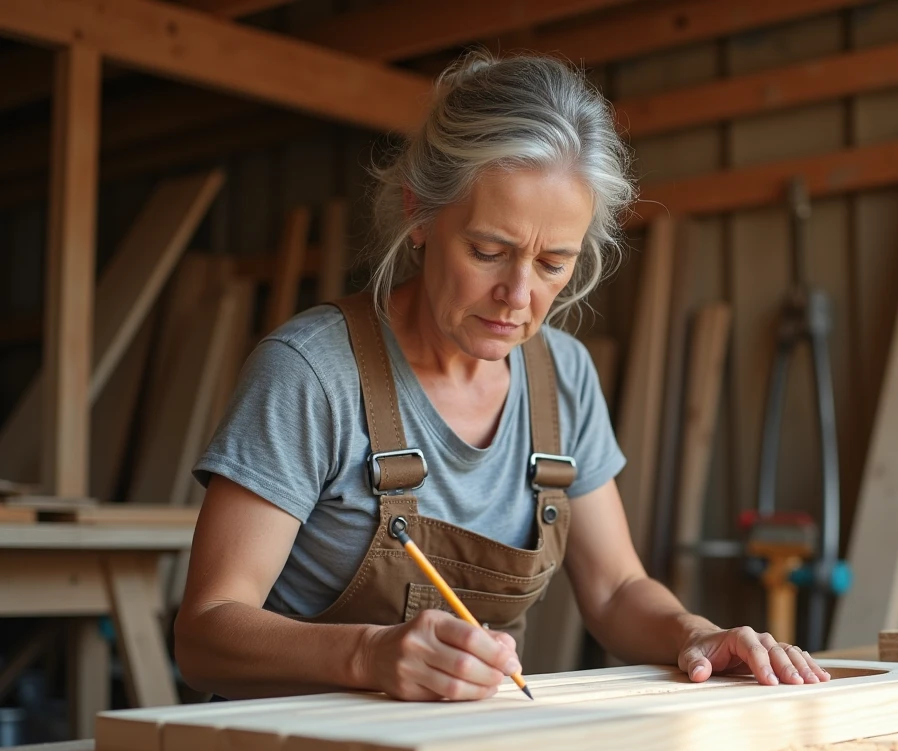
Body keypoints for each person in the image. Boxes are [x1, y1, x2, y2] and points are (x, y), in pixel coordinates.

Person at [174, 51, 830, 703]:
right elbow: (204, 636)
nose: (517, 295)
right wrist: (368, 654)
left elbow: (616, 590)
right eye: (489, 251)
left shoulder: (563, 378)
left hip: (465, 746)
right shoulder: (311, 373)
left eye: (552, 264)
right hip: (288, 745)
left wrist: (696, 634)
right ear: (419, 215)